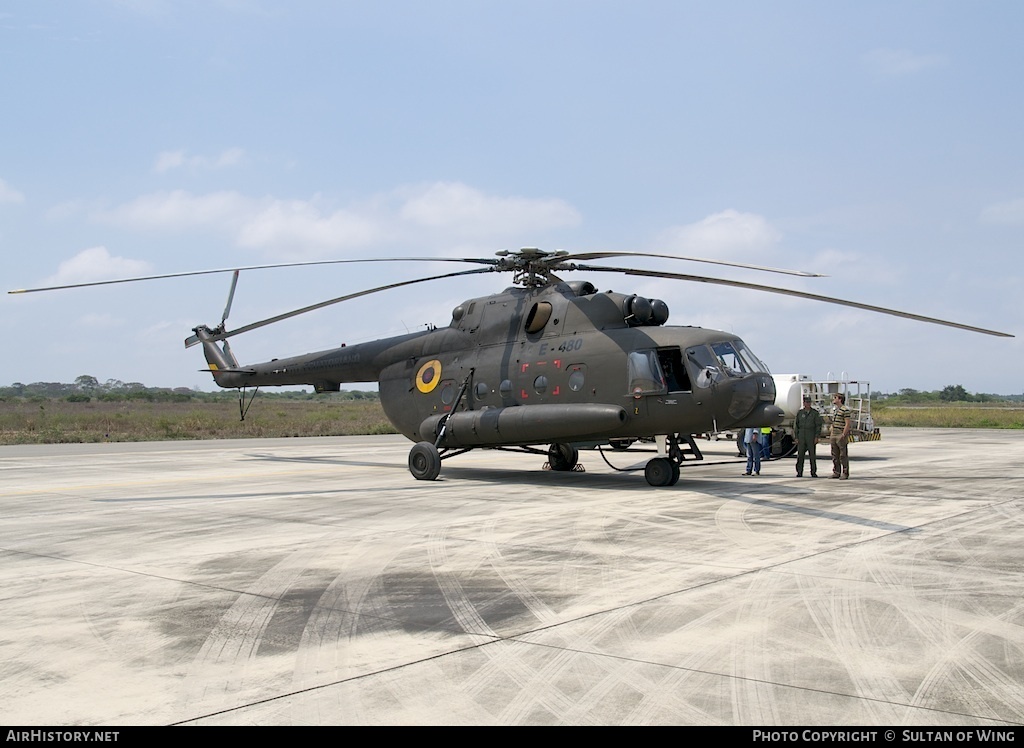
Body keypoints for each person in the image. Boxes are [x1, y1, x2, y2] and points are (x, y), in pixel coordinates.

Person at [794, 394, 823, 477]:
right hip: (801, 435)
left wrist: (817, 436)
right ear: (804, 403)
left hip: (811, 435)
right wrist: (796, 437)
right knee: (800, 455)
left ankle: (813, 472)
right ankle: (799, 471)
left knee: (812, 455)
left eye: (809, 402)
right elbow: (796, 426)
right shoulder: (800, 413)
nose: (808, 404)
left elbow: (818, 425)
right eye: (806, 402)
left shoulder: (814, 413)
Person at [829, 393, 852, 479]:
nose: (833, 399)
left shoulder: (845, 410)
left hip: (840, 434)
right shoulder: (835, 410)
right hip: (834, 434)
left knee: (843, 455)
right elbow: (834, 421)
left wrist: (844, 434)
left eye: (835, 398)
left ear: (840, 399)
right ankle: (836, 472)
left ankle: (845, 472)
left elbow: (847, 423)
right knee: (835, 455)